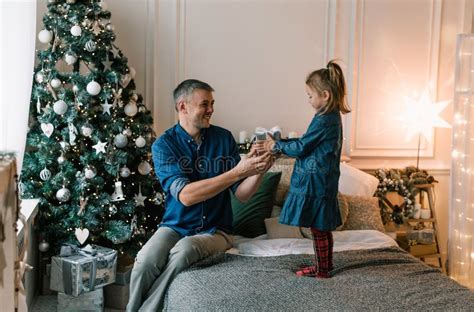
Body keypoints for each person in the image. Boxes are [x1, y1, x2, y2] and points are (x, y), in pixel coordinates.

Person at [126, 79, 273, 311]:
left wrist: (260, 168)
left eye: (212, 103)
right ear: (183, 107)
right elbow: (185, 196)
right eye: (205, 104)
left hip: (217, 230)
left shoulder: (223, 139)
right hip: (175, 225)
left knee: (184, 250)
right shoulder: (163, 145)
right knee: (145, 261)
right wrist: (237, 172)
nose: (211, 109)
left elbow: (242, 194)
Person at [258, 60, 351, 278]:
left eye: (310, 95)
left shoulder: (325, 119)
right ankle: (323, 267)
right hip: (321, 179)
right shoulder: (328, 117)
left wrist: (276, 146)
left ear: (325, 95)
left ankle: (323, 270)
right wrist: (283, 144)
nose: (308, 100)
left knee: (319, 228)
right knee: (319, 228)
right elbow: (308, 141)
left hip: (317, 181)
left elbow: (303, 147)